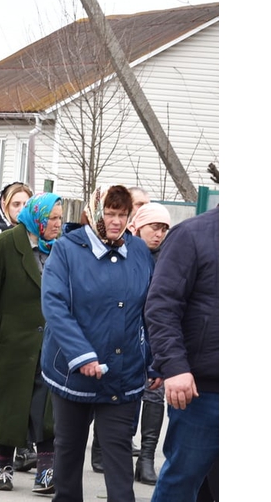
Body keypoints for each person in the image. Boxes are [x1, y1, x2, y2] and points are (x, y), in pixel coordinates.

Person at [41, 184, 160, 502]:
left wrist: (158, 359)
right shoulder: (67, 249)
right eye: (110, 213)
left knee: (118, 453)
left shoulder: (137, 251)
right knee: (69, 450)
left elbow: (151, 309)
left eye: (123, 214)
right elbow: (55, 306)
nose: (117, 221)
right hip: (72, 372)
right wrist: (82, 355)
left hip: (124, 373)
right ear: (94, 214)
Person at [0, 193, 64, 494]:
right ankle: (3, 467)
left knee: (47, 407)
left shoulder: (61, 250)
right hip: (10, 340)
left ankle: (46, 470)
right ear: (38, 218)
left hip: (51, 343)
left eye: (60, 218)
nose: (58, 224)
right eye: (53, 218)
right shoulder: (7, 243)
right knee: (8, 405)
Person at [144, 206, 218, 502]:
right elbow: (161, 307)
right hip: (202, 390)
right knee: (182, 482)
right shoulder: (191, 235)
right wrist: (174, 367)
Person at [124, 201, 172, 486]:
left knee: (155, 394)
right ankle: (108, 449)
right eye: (155, 227)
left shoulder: (170, 256)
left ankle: (146, 459)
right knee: (124, 394)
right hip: (127, 334)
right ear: (138, 226)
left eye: (165, 228)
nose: (159, 234)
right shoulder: (126, 253)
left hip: (157, 334)